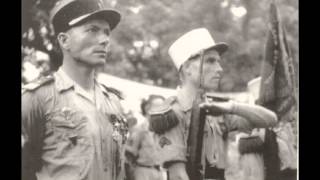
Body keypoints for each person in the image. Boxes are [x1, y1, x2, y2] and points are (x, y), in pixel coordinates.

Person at [148, 28, 278, 180]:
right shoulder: (172, 114)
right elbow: (178, 176)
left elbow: (271, 119)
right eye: (210, 61)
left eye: (218, 62)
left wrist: (232, 107)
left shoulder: (216, 110)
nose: (219, 69)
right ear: (188, 68)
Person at [21, 0, 127, 180]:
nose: (104, 39)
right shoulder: (36, 98)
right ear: (64, 40)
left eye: (106, 32)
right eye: (92, 30)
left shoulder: (113, 102)